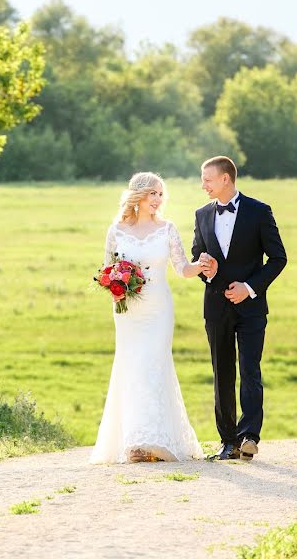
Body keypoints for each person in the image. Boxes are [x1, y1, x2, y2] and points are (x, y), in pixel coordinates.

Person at [89, 172, 209, 464]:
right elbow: (106, 270)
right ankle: (134, 442)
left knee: (153, 364)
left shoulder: (167, 229)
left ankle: (154, 438)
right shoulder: (116, 230)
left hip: (158, 310)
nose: (158, 199)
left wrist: (201, 265)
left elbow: (181, 268)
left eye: (160, 194)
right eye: (153, 194)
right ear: (138, 196)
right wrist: (116, 287)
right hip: (129, 312)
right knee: (131, 366)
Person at [191, 156, 287, 461]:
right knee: (222, 372)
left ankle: (249, 436)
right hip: (216, 307)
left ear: (225, 179)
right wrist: (207, 269)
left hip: (252, 308)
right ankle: (228, 441)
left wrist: (249, 288)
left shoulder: (259, 211)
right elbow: (197, 254)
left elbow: (278, 258)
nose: (203, 185)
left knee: (249, 370)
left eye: (207, 179)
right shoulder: (202, 214)